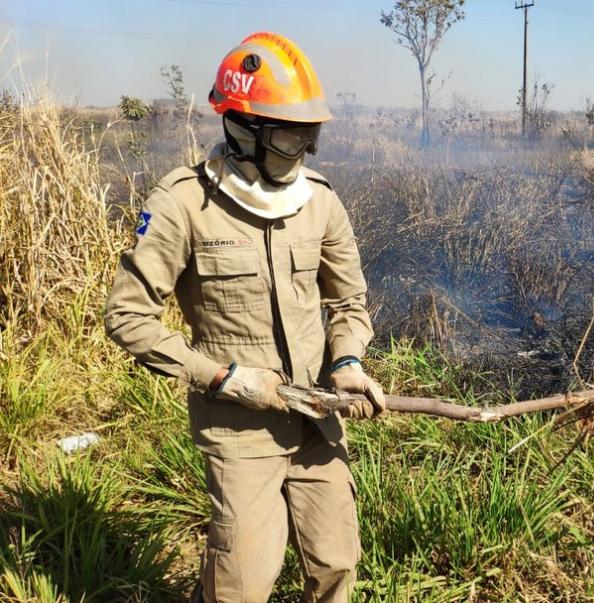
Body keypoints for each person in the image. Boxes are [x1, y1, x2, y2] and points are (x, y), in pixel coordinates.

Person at [104, 31, 384, 603]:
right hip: (239, 431)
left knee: (336, 565)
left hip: (317, 420)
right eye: (287, 137)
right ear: (241, 130)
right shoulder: (182, 202)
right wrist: (227, 379)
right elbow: (129, 316)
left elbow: (348, 303)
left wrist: (349, 360)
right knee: (244, 584)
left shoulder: (321, 200)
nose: (300, 153)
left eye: (309, 137)